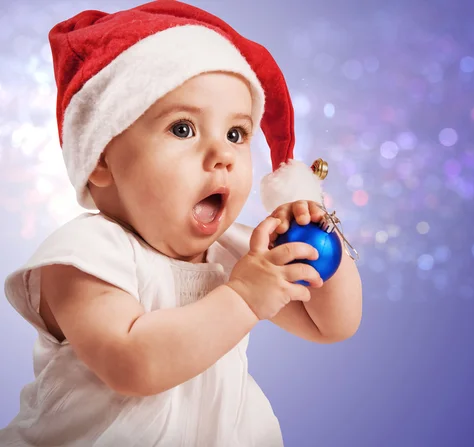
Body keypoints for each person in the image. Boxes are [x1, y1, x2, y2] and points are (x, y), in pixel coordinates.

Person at [1, 1, 363, 446]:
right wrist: (245, 298)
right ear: (101, 161)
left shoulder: (238, 254)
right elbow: (133, 364)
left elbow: (332, 325)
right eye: (183, 129)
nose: (223, 155)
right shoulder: (84, 257)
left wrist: (318, 233)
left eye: (236, 134)